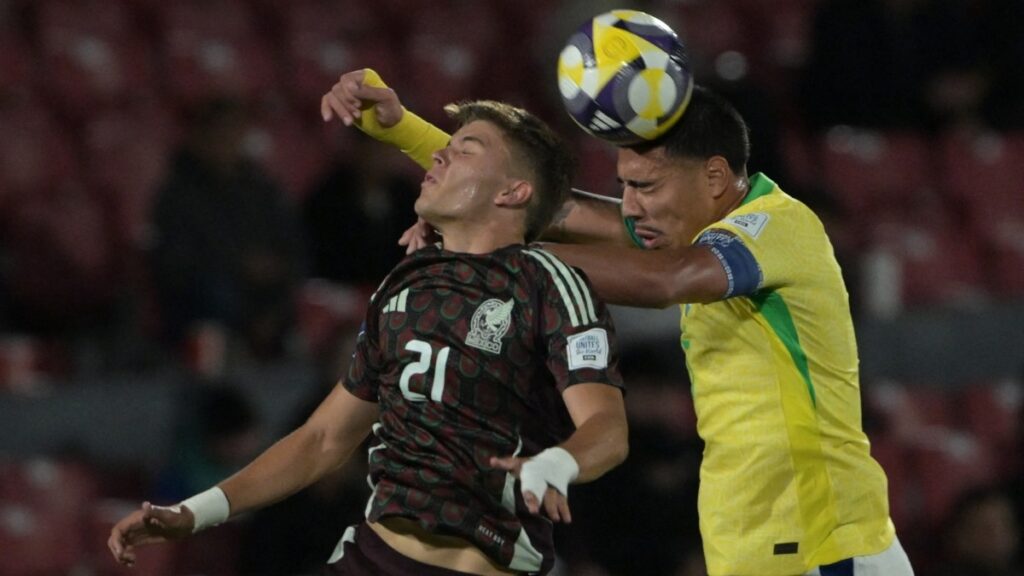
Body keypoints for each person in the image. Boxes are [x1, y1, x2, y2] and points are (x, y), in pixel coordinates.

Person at [328, 68, 915, 575]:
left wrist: (487, 251)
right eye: (624, 187)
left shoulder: (778, 225)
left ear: (714, 177)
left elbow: (666, 281)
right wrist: (403, 129)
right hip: (753, 545)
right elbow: (543, 204)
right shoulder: (695, 229)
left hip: (826, 544)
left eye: (645, 187)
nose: (630, 206)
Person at [109, 95, 629, 576]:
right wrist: (193, 511)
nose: (439, 157)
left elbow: (607, 428)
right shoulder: (403, 283)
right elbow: (323, 439)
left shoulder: (548, 283)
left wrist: (557, 463)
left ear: (514, 192)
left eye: (465, 150)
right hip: (368, 557)